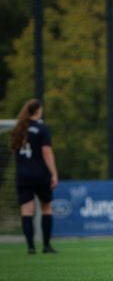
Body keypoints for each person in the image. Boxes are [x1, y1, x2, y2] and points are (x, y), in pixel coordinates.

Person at [9, 99, 59, 255]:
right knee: (46, 207)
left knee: (26, 211)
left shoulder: (18, 130)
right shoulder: (42, 129)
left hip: (23, 175)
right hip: (40, 173)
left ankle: (30, 247)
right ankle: (46, 245)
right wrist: (54, 173)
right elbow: (46, 152)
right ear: (37, 111)